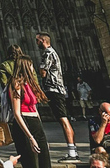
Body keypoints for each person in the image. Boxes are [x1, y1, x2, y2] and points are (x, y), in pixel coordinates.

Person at [36, 32, 79, 162]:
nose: (36, 43)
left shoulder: (47, 53)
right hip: (58, 90)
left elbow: (43, 73)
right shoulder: (53, 52)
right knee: (64, 119)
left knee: (63, 120)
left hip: (53, 90)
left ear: (43, 40)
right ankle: (73, 151)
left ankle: (72, 153)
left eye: (37, 40)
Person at [8, 55, 51, 168]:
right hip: (24, 122)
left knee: (45, 161)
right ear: (26, 66)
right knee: (32, 163)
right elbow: (17, 113)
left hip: (35, 123)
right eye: (31, 66)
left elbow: (34, 108)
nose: (33, 68)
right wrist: (30, 137)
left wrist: (42, 133)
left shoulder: (30, 84)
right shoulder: (16, 84)